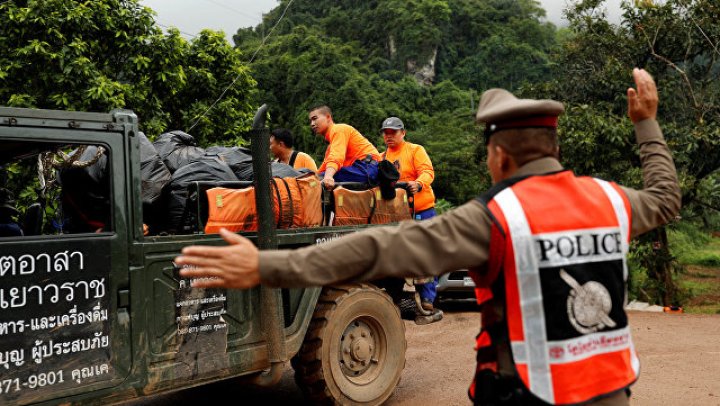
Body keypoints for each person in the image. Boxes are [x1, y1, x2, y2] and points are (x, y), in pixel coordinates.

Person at [175, 68, 680, 405]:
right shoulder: (614, 200)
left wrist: (268, 266)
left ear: (498, 156)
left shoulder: (494, 218)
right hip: (614, 391)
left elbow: (377, 248)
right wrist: (647, 124)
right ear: (553, 143)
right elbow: (665, 197)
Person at [381, 116, 439, 311]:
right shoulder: (381, 157)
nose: (389, 136)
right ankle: (396, 297)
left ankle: (427, 298)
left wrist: (419, 183)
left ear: (403, 133)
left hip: (421, 210)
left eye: (393, 132)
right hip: (395, 215)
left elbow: (427, 171)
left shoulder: (415, 150)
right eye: (386, 133)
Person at [308, 105, 382, 190]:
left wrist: (328, 176)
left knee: (316, 181)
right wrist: (309, 178)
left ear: (328, 117)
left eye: (315, 118)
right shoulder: (331, 146)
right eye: (310, 121)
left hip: (368, 168)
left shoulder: (338, 129)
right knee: (313, 181)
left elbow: (336, 157)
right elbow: (323, 169)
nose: (312, 124)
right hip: (360, 169)